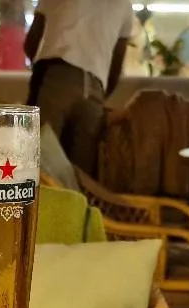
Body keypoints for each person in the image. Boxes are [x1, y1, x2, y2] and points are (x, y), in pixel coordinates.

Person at [23, 0, 135, 176]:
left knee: (37, 167)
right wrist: (99, 97)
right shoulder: (124, 4)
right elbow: (116, 67)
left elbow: (31, 44)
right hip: (94, 90)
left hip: (57, 78)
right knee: (80, 178)